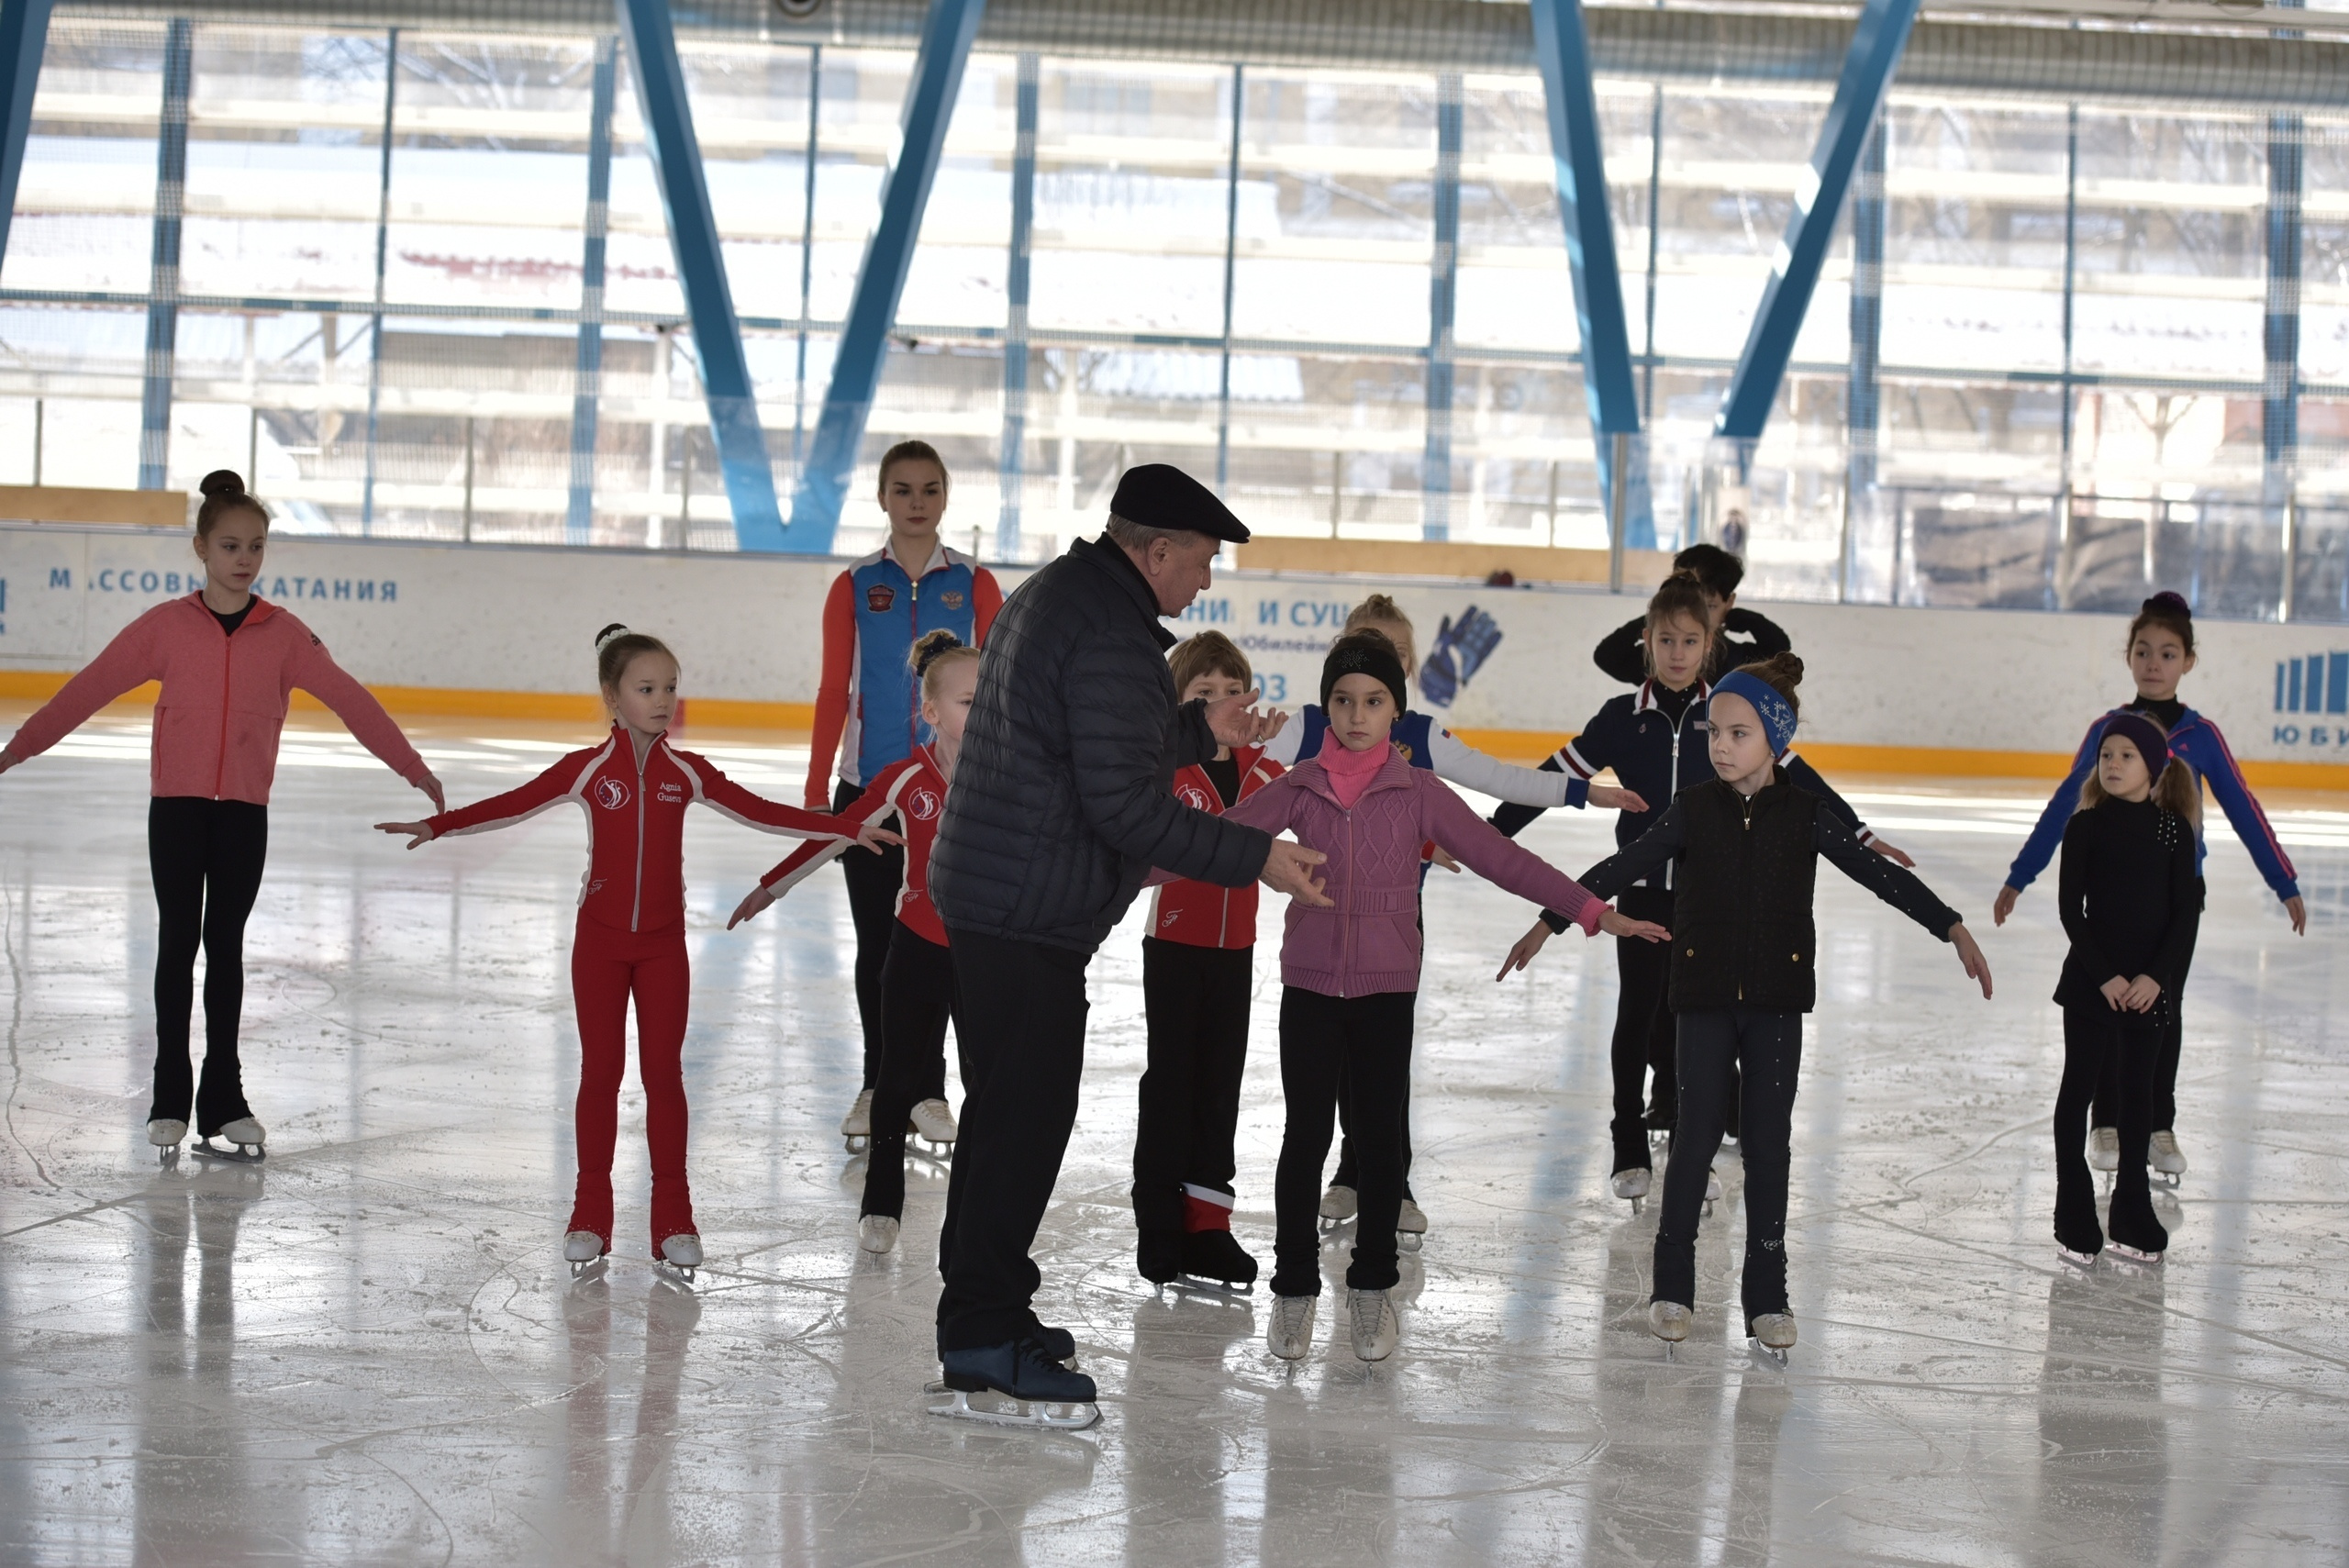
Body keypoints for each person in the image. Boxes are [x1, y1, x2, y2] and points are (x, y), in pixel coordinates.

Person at [924, 462, 1327, 1428]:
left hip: (1000, 894)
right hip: (1024, 908)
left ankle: (983, 1304)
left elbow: (1085, 745)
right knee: (1023, 1121)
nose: (1206, 579)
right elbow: (1123, 807)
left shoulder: (1068, 596)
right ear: (1155, 551)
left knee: (1004, 1115)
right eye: (1201, 559)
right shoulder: (1108, 631)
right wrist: (1259, 857)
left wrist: (1194, 727)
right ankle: (982, 1333)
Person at [1501, 654, 1992, 1363]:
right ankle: (1672, 1286)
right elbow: (1620, 867)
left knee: (1767, 1145)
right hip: (1702, 997)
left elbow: (1878, 876)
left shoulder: (1806, 815)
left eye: (1739, 734)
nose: (1721, 746)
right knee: (1694, 1138)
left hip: (1776, 1003)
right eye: (1714, 733)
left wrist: (1950, 923)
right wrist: (1554, 918)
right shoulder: (1693, 809)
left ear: (1775, 740)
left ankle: (1767, 1295)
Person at [1213, 630, 1669, 1362]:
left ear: (1395, 711)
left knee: (1378, 1139)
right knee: (1305, 1136)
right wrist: (1112, 863)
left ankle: (1373, 1285)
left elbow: (1504, 859)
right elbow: (1209, 839)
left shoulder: (1420, 791)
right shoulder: (1298, 785)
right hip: (1310, 985)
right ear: (1326, 707)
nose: (1356, 715)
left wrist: (1590, 909)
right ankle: (1294, 1287)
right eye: (1342, 700)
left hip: (1386, 987)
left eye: (1373, 701)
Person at [377, 625, 888, 1276]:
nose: (662, 700)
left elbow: (761, 811)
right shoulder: (588, 769)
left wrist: (845, 826)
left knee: (664, 1077)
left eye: (670, 687)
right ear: (612, 696)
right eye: (647, 688)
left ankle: (674, 1218)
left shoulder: (686, 772)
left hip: (662, 948)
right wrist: (437, 824)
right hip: (599, 945)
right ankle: (589, 1213)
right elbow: (514, 804)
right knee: (600, 1075)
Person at [0, 470, 445, 1163]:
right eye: (231, 546)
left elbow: (351, 700)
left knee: (226, 949)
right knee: (178, 945)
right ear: (202, 548)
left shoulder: (286, 635)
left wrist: (412, 767)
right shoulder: (165, 627)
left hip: (243, 814)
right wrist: (15, 751)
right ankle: (168, 1099)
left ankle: (225, 1100)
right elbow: (87, 689)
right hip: (176, 812)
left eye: (256, 546)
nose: (244, 559)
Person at [1494, 574, 1909, 1201]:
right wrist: (1488, 834)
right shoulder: (1621, 718)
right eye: (1665, 640)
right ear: (1647, 641)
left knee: (1695, 1031)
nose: (1678, 653)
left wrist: (1863, 833)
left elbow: (1803, 779)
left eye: (1690, 640)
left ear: (1710, 644)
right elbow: (1552, 777)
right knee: (1638, 1014)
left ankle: (1697, 1150)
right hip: (1640, 893)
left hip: (1709, 899)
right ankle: (1628, 1144)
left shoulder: (1727, 713)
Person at [1270, 594, 1650, 1237]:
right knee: (1324, 1067)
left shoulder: (1419, 737)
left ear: (1407, 669)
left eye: (1394, 654)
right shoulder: (1306, 729)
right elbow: (1244, 766)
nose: (1365, 694)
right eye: (1366, 649)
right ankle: (1348, 1172)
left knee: (1382, 1065)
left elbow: (1501, 781)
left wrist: (1582, 791)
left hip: (1395, 922)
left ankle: (1391, 1179)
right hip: (1318, 928)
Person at [1993, 590, 2301, 1183]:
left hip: (2176, 902)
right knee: (2108, 1003)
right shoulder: (2110, 731)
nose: (2153, 663)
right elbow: (2066, 804)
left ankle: (2159, 1124)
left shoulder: (2201, 736)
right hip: (2110, 901)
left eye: (2167, 652)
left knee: (2162, 1007)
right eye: (2143, 651)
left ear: (2188, 660)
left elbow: (2243, 807)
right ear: (2129, 657)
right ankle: (2106, 1121)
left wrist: (2282, 879)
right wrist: (2020, 874)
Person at [730, 629, 978, 1255]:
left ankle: (976, 1213)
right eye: (968, 702)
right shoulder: (905, 778)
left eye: (991, 702)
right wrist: (770, 887)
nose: (983, 714)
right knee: (896, 1078)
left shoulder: (1010, 778)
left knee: (987, 1084)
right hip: (917, 946)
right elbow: (837, 832)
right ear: (931, 712)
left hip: (984, 953)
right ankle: (881, 1203)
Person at [805, 440, 1003, 1150]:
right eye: (902, 489)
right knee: (879, 948)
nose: (916, 502)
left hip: (954, 796)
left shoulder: (977, 584)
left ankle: (930, 1091)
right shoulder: (854, 585)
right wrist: (816, 792)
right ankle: (877, 1082)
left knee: (942, 946)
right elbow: (834, 688)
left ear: (945, 496)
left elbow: (1001, 691)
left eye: (929, 489)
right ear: (883, 498)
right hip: (872, 791)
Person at [1132, 629, 1286, 1294]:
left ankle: (1208, 1227)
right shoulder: (1163, 767)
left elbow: (1332, 808)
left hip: (1235, 951)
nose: (1223, 699)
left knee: (1219, 1085)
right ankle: (1159, 1221)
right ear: (1179, 703)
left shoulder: (1265, 769)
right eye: (1204, 691)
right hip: (1172, 945)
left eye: (1233, 689)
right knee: (1172, 1083)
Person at [2049, 712, 2200, 1269]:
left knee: (2139, 1098)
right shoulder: (2085, 826)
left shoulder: (2174, 831)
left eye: (2126, 756)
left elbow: (2183, 915)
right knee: (2079, 1092)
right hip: (2093, 983)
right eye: (2106, 755)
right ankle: (2074, 1213)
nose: (2113, 764)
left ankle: (2133, 1213)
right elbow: (2071, 910)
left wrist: (2155, 978)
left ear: (2152, 767)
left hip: (2148, 989)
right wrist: (2106, 976)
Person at [1590, 542, 1791, 684]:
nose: (1696, 617)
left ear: (1728, 603)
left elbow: (1779, 651)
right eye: (1687, 606)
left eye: (1709, 607)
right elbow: (1606, 656)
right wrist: (1658, 619)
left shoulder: (1736, 659)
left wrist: (1750, 620)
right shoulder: (1660, 657)